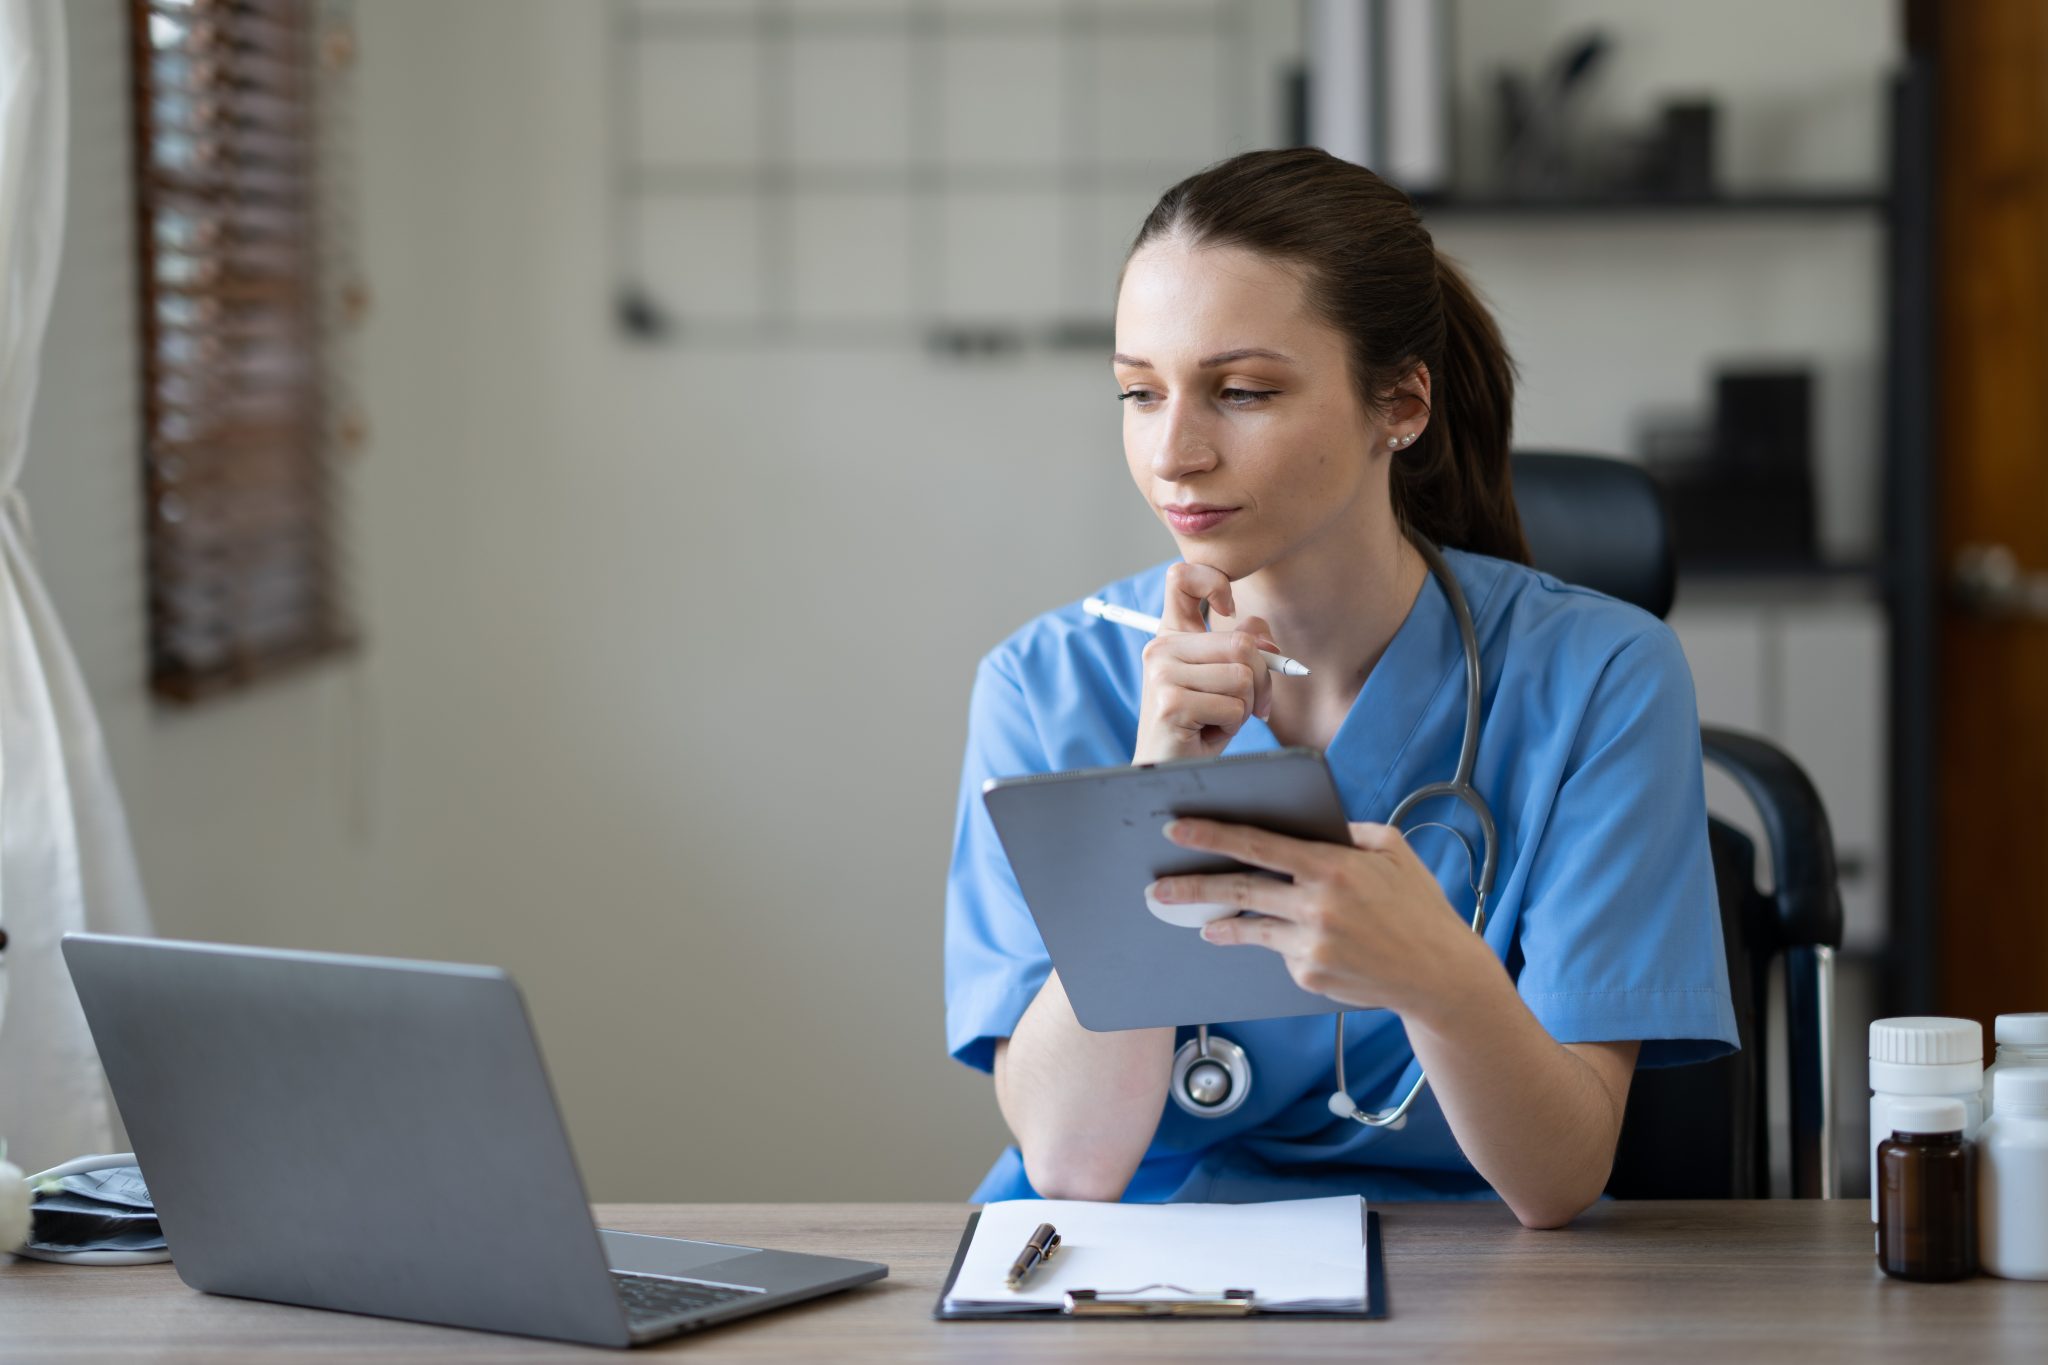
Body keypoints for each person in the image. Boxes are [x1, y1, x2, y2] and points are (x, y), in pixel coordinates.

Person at [943, 148, 1738, 1228]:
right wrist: (1151, 794)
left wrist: (1435, 976)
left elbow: (1560, 1178)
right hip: (1134, 1273)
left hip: (1470, 1274)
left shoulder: (1597, 675)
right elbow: (1073, 1166)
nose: (1173, 452)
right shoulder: (1043, 686)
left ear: (1398, 403)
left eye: (1242, 392)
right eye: (1138, 392)